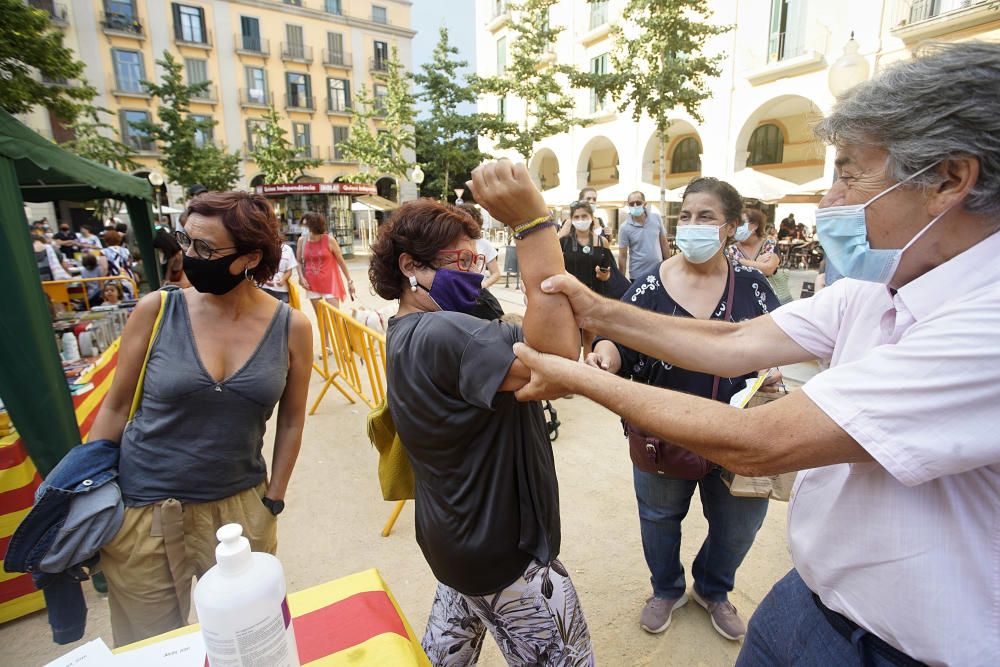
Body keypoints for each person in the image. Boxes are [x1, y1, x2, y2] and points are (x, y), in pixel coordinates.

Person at [504, 42, 1000, 666]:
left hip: (904, 650)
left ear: (950, 180)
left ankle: (711, 590)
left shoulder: (986, 328)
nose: (829, 201)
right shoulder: (880, 286)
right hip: (811, 602)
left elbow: (759, 441)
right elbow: (734, 341)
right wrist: (601, 311)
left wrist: (577, 377)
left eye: (851, 172)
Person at [372, 162, 593, 665]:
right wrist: (535, 224)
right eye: (459, 260)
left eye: (478, 258)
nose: (473, 271)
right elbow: (557, 354)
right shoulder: (444, 334)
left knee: (447, 651)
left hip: (455, 536)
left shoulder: (410, 329)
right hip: (503, 552)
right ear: (411, 267)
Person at [89, 191, 312, 646]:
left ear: (250, 256)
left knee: (246, 643)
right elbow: (114, 407)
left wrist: (273, 501)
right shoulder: (157, 310)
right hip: (145, 512)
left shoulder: (292, 326)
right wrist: (90, 494)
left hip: (242, 514)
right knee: (149, 648)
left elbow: (291, 420)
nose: (190, 256)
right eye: (186, 242)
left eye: (206, 249)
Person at [590, 177, 780, 641]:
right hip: (662, 434)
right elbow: (618, 337)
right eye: (687, 216)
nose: (693, 226)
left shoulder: (752, 285)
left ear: (732, 227)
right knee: (658, 520)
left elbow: (777, 338)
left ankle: (713, 589)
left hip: (738, 434)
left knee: (739, 526)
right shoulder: (649, 284)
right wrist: (607, 354)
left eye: (707, 217)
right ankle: (667, 588)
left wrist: (772, 367)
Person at [296, 213, 356, 349]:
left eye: (306, 225)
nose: (304, 228)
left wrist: (349, 281)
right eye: (303, 225)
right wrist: (301, 277)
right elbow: (299, 262)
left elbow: (341, 261)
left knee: (335, 316)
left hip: (330, 283)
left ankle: (343, 347)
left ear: (315, 226)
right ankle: (326, 346)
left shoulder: (329, 240)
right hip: (311, 284)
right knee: (321, 317)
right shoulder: (302, 241)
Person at [560, 200, 612, 354]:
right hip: (569, 297)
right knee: (571, 337)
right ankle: (572, 371)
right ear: (571, 219)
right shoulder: (563, 242)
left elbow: (607, 274)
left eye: (584, 216)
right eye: (576, 217)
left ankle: (588, 370)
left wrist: (603, 274)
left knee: (590, 337)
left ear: (592, 218)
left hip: (593, 295)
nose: (581, 220)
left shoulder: (602, 242)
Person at [458, 203, 505, 321]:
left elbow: (496, 273)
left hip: (478, 297)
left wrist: (483, 285)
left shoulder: (484, 244)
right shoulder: (453, 243)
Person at [618, 191, 670, 280]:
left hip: (658, 271)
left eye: (638, 203)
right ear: (628, 206)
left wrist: (668, 267)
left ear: (644, 204)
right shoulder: (624, 228)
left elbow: (664, 243)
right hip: (637, 275)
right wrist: (621, 279)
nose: (635, 206)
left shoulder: (656, 218)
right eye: (631, 204)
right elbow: (622, 255)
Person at [101, 230, 136, 298]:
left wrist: (101, 281)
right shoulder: (126, 250)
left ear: (106, 240)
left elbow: (104, 268)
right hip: (127, 277)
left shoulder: (103, 252)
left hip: (113, 278)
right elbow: (130, 264)